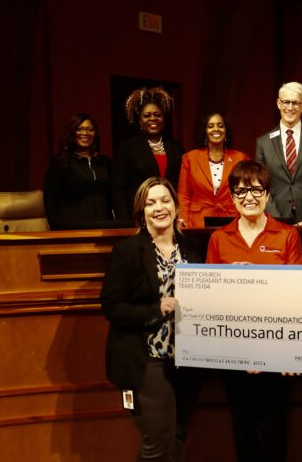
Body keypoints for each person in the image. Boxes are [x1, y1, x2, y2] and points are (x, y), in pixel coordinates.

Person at [206, 161, 302, 461]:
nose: (249, 197)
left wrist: (285, 351)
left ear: (267, 194)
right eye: (240, 191)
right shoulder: (219, 239)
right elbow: (210, 299)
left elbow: (297, 295)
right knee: (242, 427)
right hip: (234, 350)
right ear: (232, 197)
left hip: (276, 350)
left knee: (274, 428)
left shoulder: (286, 235)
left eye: (256, 190)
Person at [100, 177, 202, 462]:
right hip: (147, 360)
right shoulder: (128, 251)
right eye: (151, 202)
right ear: (140, 211)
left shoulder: (191, 248)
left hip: (186, 358)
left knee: (178, 436)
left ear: (176, 206)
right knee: (157, 442)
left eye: (165, 200)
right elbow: (111, 306)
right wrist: (156, 310)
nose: (159, 207)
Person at [256, 81, 302, 225]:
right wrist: (278, 220)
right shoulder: (263, 143)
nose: (290, 107)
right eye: (286, 102)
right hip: (276, 222)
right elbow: (261, 186)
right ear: (278, 104)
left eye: (295, 103)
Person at [113, 87, 185, 221]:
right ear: (140, 121)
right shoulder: (128, 147)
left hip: (170, 214)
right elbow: (119, 189)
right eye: (147, 115)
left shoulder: (176, 146)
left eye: (158, 115)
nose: (153, 119)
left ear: (164, 118)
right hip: (139, 215)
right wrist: (124, 221)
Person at [177, 113, 250, 227]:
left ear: (226, 130)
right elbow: (184, 195)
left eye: (220, 126)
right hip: (197, 223)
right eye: (210, 126)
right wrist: (182, 222)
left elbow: (247, 194)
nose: (216, 129)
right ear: (205, 131)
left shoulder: (240, 158)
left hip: (232, 221)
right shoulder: (190, 158)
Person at [43, 113, 113, 229]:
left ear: (95, 134)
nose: (85, 133)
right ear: (72, 132)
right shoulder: (60, 162)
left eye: (90, 129)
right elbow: (50, 201)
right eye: (79, 129)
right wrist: (57, 229)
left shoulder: (105, 162)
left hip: (104, 228)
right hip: (73, 230)